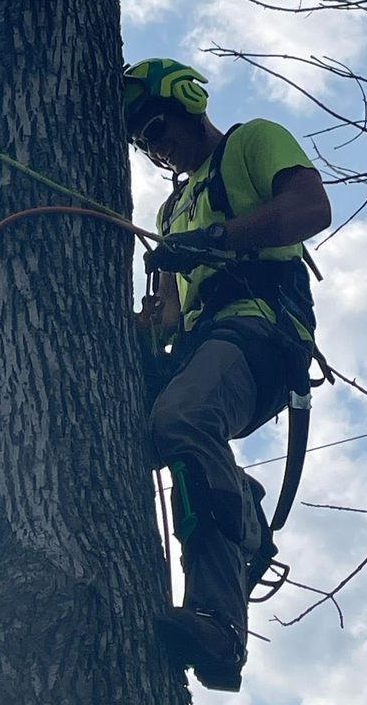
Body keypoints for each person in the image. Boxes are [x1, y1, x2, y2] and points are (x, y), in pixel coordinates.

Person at [124, 58, 331, 692]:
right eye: (142, 140)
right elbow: (171, 313)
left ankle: (218, 621)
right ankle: (241, 504)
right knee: (141, 437)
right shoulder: (169, 212)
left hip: (263, 326)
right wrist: (149, 324)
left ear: (189, 101)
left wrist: (219, 238)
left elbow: (309, 208)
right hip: (202, 341)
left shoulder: (252, 142)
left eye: (157, 126)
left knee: (183, 418)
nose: (156, 146)